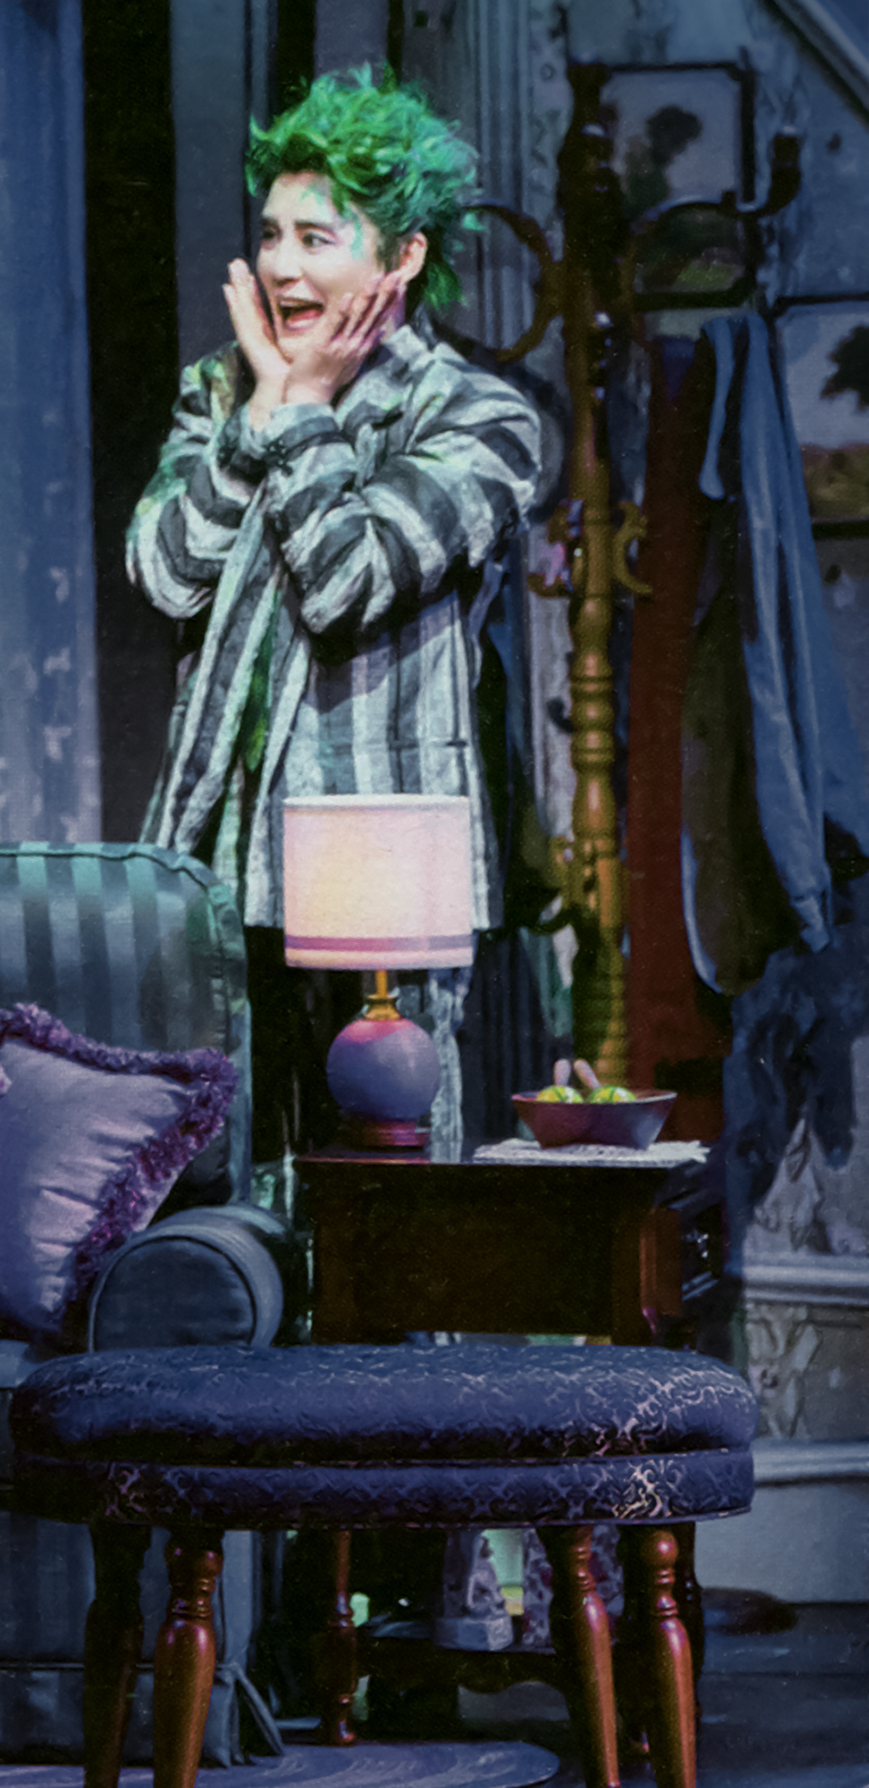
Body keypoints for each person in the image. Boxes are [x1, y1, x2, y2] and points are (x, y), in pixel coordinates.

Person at [127, 68, 545, 1183]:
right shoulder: (221, 391)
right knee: (210, 1178)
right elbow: (164, 575)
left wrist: (302, 413)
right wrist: (257, 415)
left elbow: (346, 581)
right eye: (270, 235)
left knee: (383, 1186)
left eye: (317, 238)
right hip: (214, 860)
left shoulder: (480, 419)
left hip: (379, 874)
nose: (281, 267)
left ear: (400, 257)